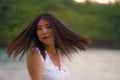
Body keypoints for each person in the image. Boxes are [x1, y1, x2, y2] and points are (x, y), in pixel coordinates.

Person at [7, 13, 92, 80]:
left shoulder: (60, 53)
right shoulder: (36, 54)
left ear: (56, 29)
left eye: (48, 27)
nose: (44, 32)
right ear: (35, 33)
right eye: (39, 29)